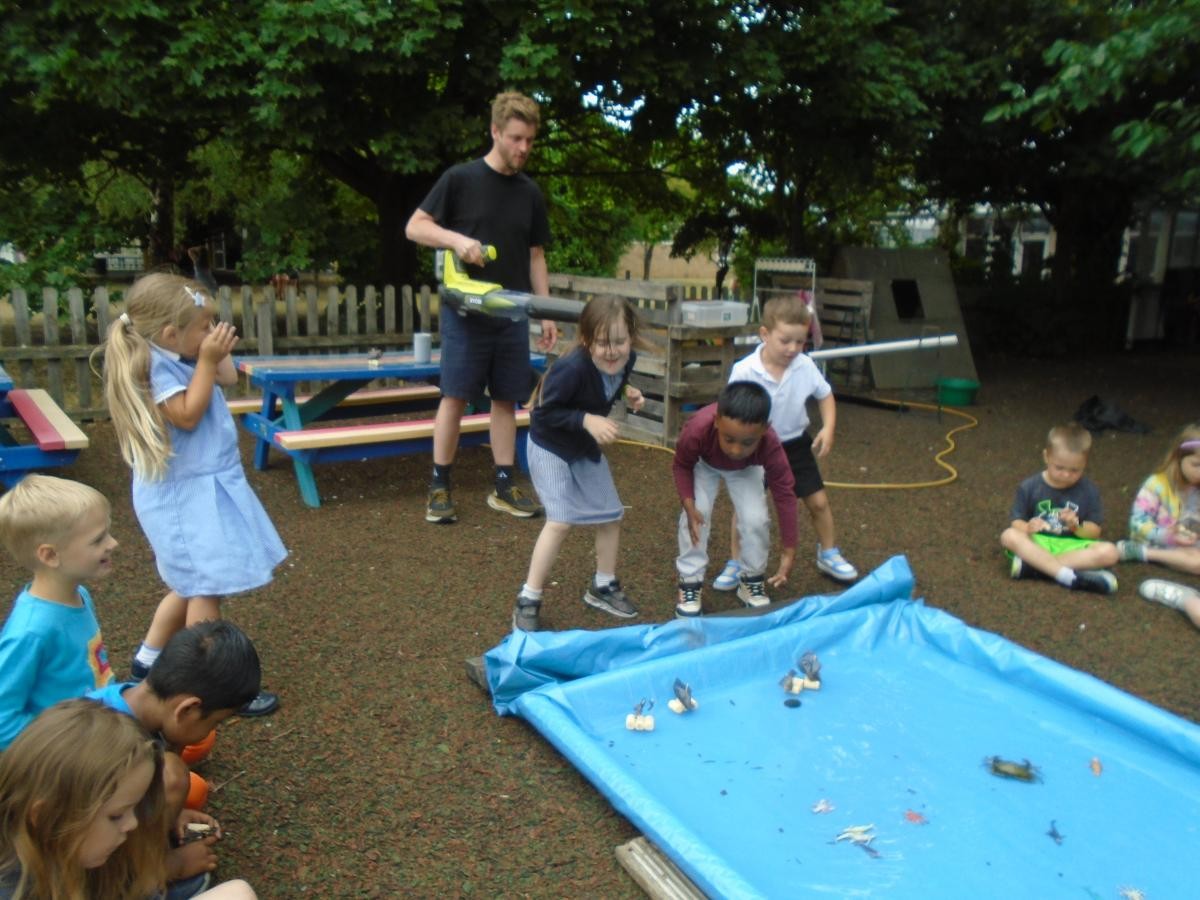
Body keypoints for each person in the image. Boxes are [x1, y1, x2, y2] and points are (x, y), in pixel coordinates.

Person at [94, 272, 285, 716]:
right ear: (169, 335)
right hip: (183, 500)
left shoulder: (183, 352)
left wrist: (212, 350)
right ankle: (212, 683)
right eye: (204, 326)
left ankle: (147, 663)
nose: (212, 331)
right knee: (205, 588)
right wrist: (205, 360)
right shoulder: (155, 366)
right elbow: (186, 414)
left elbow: (227, 378)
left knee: (186, 587)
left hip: (204, 491)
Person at [405, 90, 559, 525]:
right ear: (494, 131)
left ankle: (504, 486)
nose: (523, 148)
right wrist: (456, 240)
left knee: (507, 398)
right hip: (466, 312)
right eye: (516, 138)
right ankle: (439, 486)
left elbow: (536, 256)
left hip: (512, 313)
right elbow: (415, 226)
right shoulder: (460, 179)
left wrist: (546, 312)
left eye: (529, 140)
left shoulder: (529, 193)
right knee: (454, 396)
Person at [0, 699, 256, 900]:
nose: (132, 823)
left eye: (134, 807)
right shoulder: (13, 888)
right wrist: (172, 867)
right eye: (116, 816)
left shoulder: (70, 843)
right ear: (46, 816)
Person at [87, 621, 262, 893]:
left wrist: (172, 814)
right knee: (173, 775)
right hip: (86, 866)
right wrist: (172, 865)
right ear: (187, 709)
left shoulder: (127, 698)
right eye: (215, 721)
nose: (212, 730)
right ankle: (147, 874)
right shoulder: (115, 747)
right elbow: (83, 841)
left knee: (183, 778)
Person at [513, 296, 646, 630]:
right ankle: (529, 597)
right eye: (603, 343)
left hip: (581, 446)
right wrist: (586, 419)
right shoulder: (571, 368)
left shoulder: (626, 359)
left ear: (631, 337)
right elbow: (544, 413)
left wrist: (628, 391)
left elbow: (610, 380)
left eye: (620, 342)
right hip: (550, 445)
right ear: (587, 340)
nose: (612, 351)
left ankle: (604, 584)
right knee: (560, 520)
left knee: (611, 514)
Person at [714, 294, 858, 592]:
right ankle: (737, 561)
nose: (793, 348)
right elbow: (730, 410)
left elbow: (825, 395)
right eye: (785, 341)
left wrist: (829, 428)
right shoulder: (745, 370)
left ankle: (828, 553)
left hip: (795, 445)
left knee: (818, 502)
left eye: (800, 341)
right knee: (746, 510)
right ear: (764, 334)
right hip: (756, 448)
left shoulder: (805, 366)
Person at [0, 475, 116, 750]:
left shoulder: (80, 595)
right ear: (50, 555)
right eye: (98, 540)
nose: (113, 543)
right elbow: (2, 720)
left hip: (97, 729)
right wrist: (65, 743)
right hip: (69, 753)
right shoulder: (32, 631)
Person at [673, 381, 798, 617]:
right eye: (729, 439)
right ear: (717, 421)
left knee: (755, 518)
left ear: (765, 429)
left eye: (747, 442)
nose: (736, 450)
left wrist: (789, 549)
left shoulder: (770, 444)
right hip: (704, 463)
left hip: (747, 468)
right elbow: (682, 465)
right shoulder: (698, 428)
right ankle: (689, 581)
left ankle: (751, 579)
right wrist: (688, 504)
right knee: (698, 513)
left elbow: (785, 494)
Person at [999, 423, 1120, 594]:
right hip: (1038, 543)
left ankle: (1037, 568)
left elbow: (1094, 532)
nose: (1066, 474)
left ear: (1085, 464)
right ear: (1046, 456)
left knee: (1110, 552)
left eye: (1074, 470)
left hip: (1072, 546)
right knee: (1009, 536)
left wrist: (1076, 526)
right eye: (1059, 467)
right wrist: (1028, 527)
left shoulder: (1090, 490)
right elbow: (1016, 522)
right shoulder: (1029, 486)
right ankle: (1067, 576)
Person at [1117, 424, 1200, 629]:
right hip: (1160, 542)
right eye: (1197, 464)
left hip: (1190, 543)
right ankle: (1144, 552)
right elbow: (1138, 523)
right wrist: (1168, 535)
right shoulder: (1156, 484)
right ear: (1177, 458)